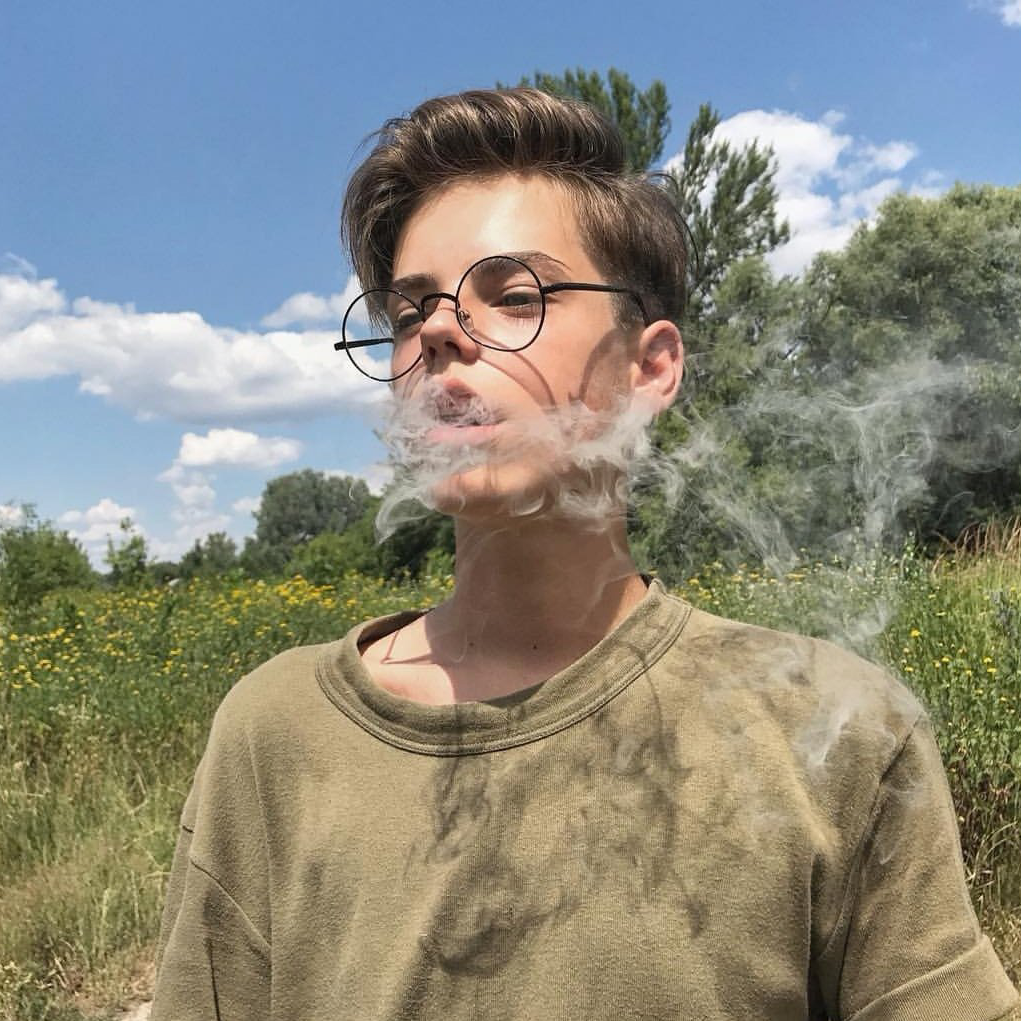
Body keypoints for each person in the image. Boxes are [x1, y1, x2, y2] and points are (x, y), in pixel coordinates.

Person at [152, 88, 1018, 1020]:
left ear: (649, 366)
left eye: (514, 296)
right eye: (408, 313)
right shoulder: (275, 731)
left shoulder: (837, 727)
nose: (437, 332)